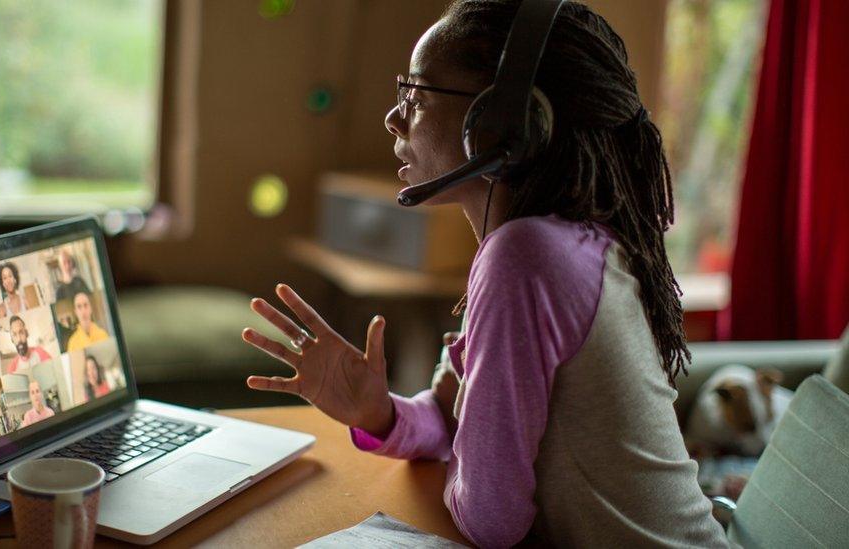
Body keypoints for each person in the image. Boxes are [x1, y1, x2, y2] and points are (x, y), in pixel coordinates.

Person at [240, 2, 728, 547]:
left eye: (417, 96)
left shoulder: (526, 257)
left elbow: (491, 519)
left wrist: (461, 442)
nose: (393, 117)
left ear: (502, 125)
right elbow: (458, 422)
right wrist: (378, 412)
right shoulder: (568, 242)